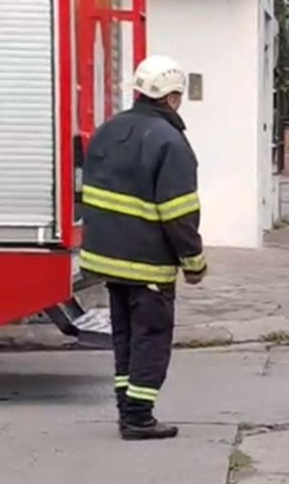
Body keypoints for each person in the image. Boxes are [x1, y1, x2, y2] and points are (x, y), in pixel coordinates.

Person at [79, 55, 207, 441]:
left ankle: (127, 408)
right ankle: (138, 416)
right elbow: (179, 213)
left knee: (125, 337)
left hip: (106, 260)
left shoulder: (108, 130)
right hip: (147, 264)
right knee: (150, 338)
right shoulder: (170, 141)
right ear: (170, 97)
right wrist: (194, 262)